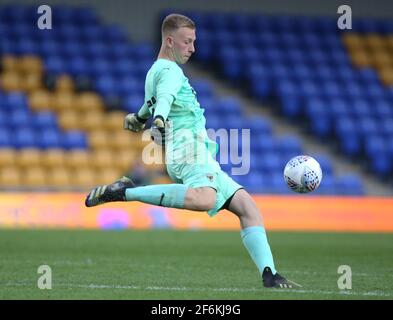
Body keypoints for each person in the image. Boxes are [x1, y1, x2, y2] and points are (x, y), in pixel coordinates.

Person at [85, 13, 300, 289]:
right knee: (205, 199)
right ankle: (125, 192)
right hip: (187, 148)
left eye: (194, 42)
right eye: (187, 42)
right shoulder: (171, 71)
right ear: (170, 41)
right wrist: (159, 118)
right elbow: (164, 100)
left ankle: (269, 274)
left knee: (247, 207)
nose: (192, 48)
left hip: (199, 153)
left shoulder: (155, 72)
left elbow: (152, 102)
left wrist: (139, 118)